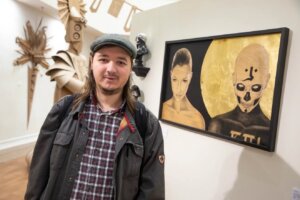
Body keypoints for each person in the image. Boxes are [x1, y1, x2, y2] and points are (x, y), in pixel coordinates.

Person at [25, 34, 165, 200]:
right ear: (91, 63)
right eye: (104, 59)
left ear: (130, 68)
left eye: (121, 62)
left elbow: (152, 191)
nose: (111, 69)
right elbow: (38, 175)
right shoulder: (63, 110)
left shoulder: (146, 125)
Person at [208, 43, 271, 147]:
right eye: (241, 87)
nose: (247, 97)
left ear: (266, 81)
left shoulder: (269, 130)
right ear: (234, 79)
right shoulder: (218, 123)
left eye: (255, 88)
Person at [46, 0, 88, 102]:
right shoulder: (63, 57)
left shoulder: (83, 59)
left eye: (80, 27)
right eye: (76, 27)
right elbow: (81, 88)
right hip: (65, 114)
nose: (79, 32)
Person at [162, 48, 206, 130]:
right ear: (171, 74)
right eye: (174, 79)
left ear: (190, 77)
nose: (178, 88)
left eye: (184, 81)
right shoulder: (162, 109)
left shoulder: (197, 120)